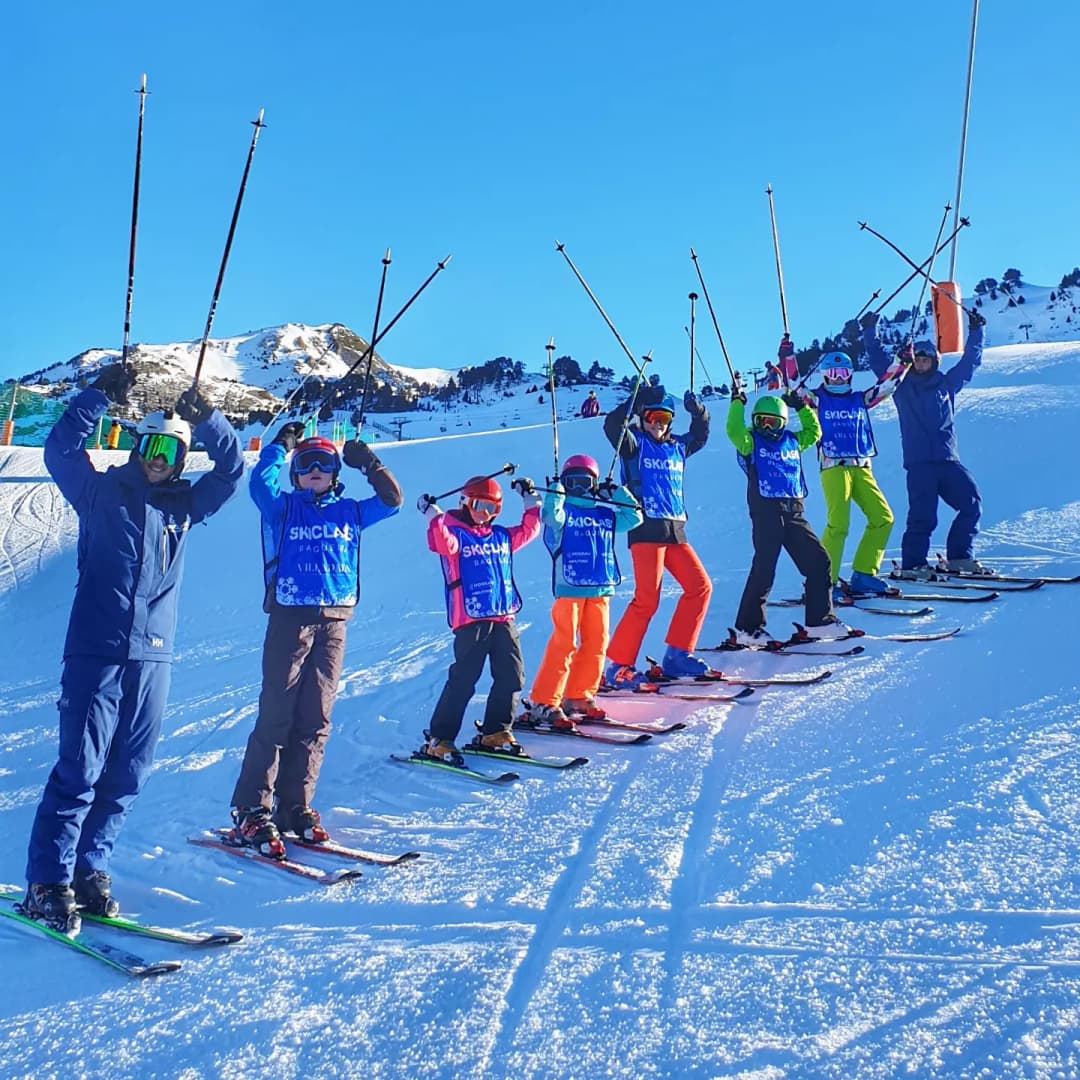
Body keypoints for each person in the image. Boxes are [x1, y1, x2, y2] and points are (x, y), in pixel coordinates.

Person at [22, 369, 242, 935]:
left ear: (182, 458)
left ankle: (89, 871)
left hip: (152, 658)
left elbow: (231, 471)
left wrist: (209, 421)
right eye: (151, 446)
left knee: (127, 772)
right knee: (80, 768)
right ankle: (48, 880)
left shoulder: (184, 506)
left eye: (171, 451)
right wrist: (97, 397)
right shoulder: (99, 492)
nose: (158, 459)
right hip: (95, 651)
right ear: (137, 445)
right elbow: (59, 451)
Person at [228, 428, 402, 856]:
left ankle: (295, 806)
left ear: (336, 472)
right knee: (276, 715)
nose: (316, 470)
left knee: (316, 718)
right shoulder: (285, 508)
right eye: (306, 464)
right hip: (291, 621)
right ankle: (252, 809)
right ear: (296, 474)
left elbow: (392, 501)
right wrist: (280, 448)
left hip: (334, 622)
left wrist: (370, 463)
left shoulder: (350, 512)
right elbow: (259, 486)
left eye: (325, 463)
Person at [416, 474, 542, 762]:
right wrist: (433, 516)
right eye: (479, 505)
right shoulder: (456, 535)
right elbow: (442, 542)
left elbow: (530, 529)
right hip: (470, 619)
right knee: (464, 679)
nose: (485, 513)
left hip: (503, 616)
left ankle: (495, 732)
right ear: (465, 502)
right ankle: (440, 738)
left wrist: (530, 499)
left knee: (512, 675)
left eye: (492, 508)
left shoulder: (500, 536)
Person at [861, 309, 987, 578]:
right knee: (924, 515)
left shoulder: (946, 384)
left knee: (971, 502)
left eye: (925, 359)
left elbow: (969, 363)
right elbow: (880, 362)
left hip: (948, 460)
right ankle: (913, 563)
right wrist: (870, 331)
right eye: (916, 360)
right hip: (919, 463)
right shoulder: (902, 385)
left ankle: (960, 557)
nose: (920, 364)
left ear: (934, 361)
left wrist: (977, 331)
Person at [725, 381, 850, 646]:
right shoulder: (751, 443)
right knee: (764, 568)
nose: (767, 427)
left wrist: (800, 406)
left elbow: (814, 432)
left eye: (773, 422)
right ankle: (749, 628)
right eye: (761, 421)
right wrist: (737, 403)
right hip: (766, 513)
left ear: (782, 423)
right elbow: (734, 430)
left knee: (819, 562)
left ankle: (819, 622)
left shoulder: (792, 441)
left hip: (794, 513)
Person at [602, 384, 712, 687]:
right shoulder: (634, 444)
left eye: (664, 418)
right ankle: (618, 666)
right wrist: (636, 399)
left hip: (675, 530)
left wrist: (698, 412)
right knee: (647, 600)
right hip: (646, 529)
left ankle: (678, 655)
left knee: (700, 587)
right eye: (652, 417)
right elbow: (612, 425)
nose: (658, 424)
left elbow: (700, 435)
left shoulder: (677, 446)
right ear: (642, 417)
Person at [525, 454, 642, 726]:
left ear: (595, 485)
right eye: (572, 482)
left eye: (585, 483)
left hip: (599, 589)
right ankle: (545, 700)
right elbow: (550, 517)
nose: (579, 488)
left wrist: (616, 493)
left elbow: (634, 517)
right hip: (570, 588)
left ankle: (579, 694)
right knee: (564, 643)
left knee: (597, 643)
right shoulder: (564, 512)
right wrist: (556, 493)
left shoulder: (604, 513)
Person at [794, 349, 912, 597]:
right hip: (834, 466)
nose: (838, 378)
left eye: (843, 372)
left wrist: (902, 363)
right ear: (824, 375)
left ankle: (864, 573)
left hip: (861, 466)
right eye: (833, 373)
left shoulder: (860, 399)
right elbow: (795, 388)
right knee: (839, 525)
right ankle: (824, 582)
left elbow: (886, 387)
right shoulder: (817, 400)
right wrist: (787, 358)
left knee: (883, 518)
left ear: (850, 375)